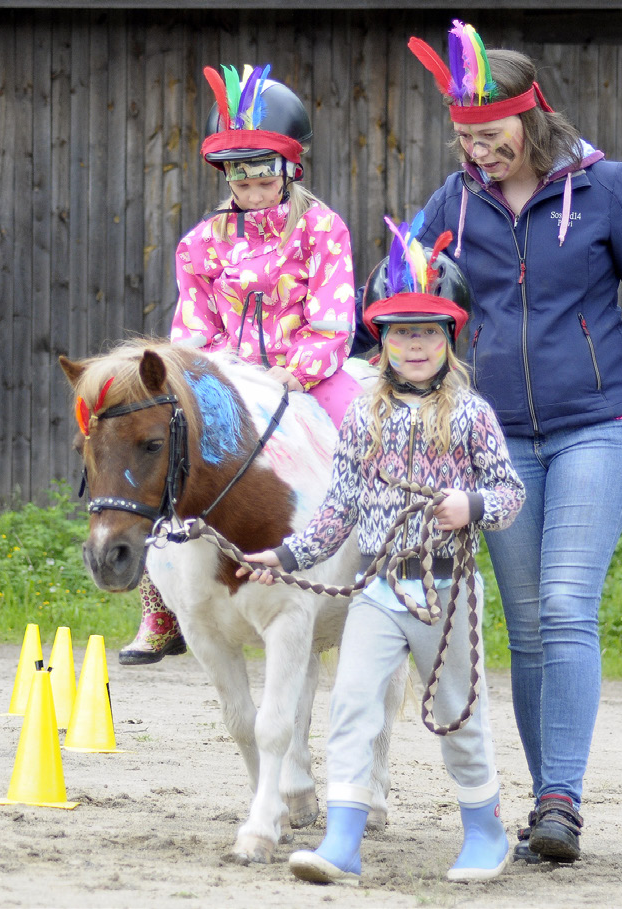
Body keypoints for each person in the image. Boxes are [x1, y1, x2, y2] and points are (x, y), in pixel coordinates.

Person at [407, 22, 622, 863]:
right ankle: (548, 799)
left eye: (491, 135)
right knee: (525, 626)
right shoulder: (456, 201)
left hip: (600, 426)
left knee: (563, 604)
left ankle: (561, 797)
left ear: (532, 117)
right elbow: (396, 292)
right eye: (464, 136)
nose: (477, 151)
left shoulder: (604, 189)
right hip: (501, 442)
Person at [241, 221, 526, 886]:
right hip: (378, 589)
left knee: (458, 709)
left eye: (427, 330)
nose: (415, 343)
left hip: (446, 591)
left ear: (449, 335)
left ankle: (485, 828)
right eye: (401, 331)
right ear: (383, 339)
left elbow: (509, 492)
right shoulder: (362, 418)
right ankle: (343, 840)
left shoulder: (473, 415)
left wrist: (472, 506)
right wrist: (283, 556)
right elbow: (337, 508)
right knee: (353, 703)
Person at [119, 64, 361, 666]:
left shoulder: (322, 229)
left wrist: (295, 370)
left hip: (309, 372)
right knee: (170, 457)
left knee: (367, 428)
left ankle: (390, 562)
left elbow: (334, 316)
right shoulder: (200, 243)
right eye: (239, 183)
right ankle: (161, 601)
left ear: (289, 170)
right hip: (229, 380)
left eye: (262, 182)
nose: (251, 195)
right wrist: (215, 376)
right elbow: (192, 328)